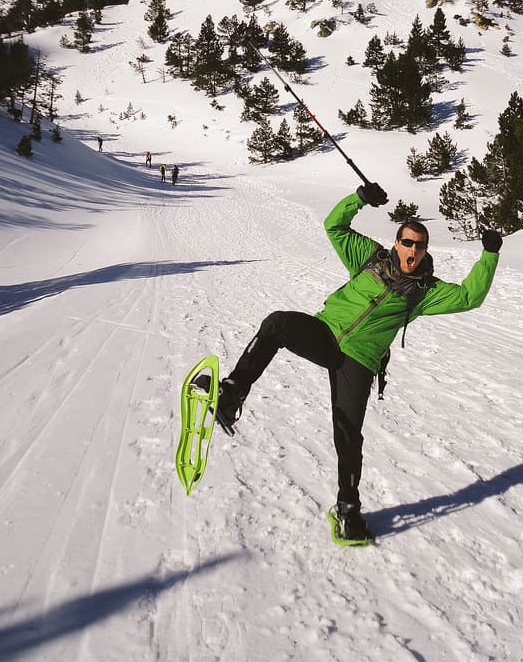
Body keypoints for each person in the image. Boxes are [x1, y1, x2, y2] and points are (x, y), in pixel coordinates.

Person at [207, 180, 502, 543]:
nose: (412, 249)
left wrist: (489, 255)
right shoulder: (369, 258)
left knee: (348, 435)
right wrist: (358, 199)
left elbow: (470, 296)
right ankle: (232, 393)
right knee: (277, 323)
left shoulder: (425, 291)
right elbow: (334, 225)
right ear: (397, 242)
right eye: (407, 242)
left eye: (419, 246)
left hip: (359, 360)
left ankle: (348, 509)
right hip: (325, 334)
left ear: (426, 251)